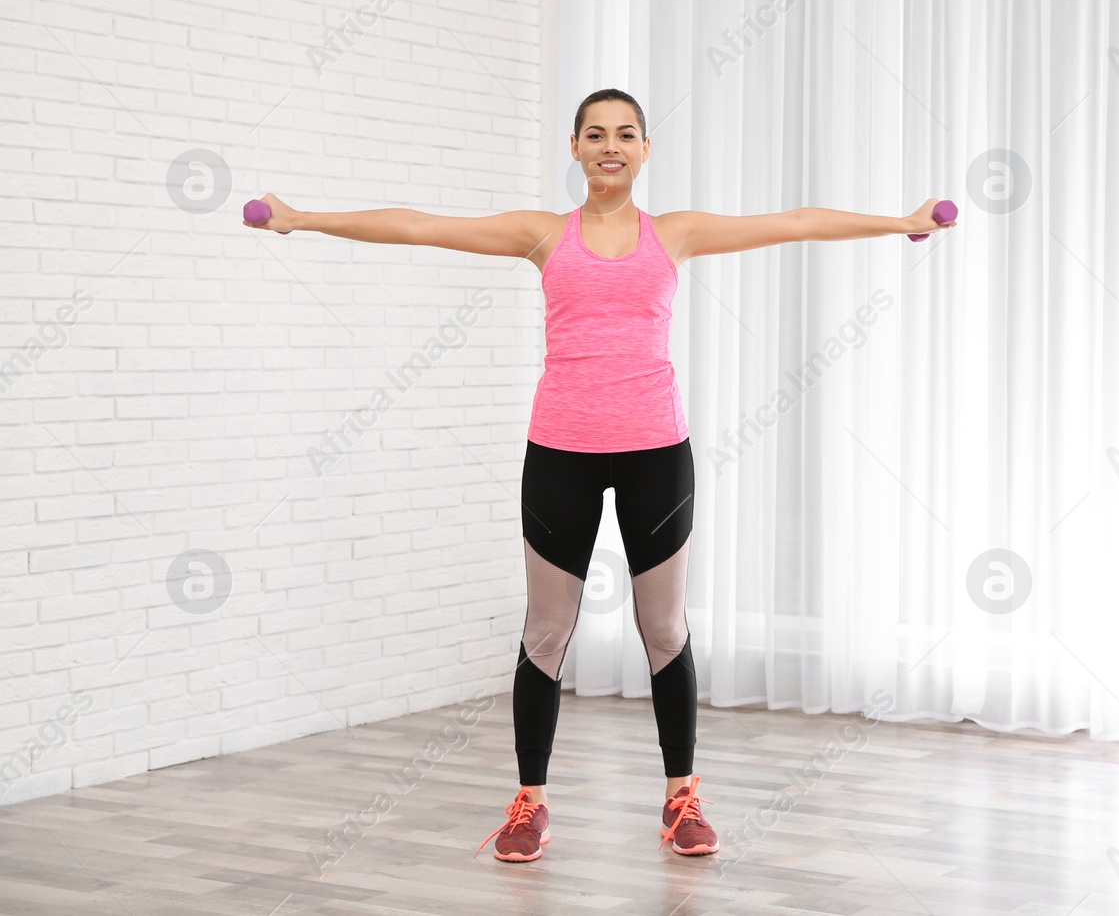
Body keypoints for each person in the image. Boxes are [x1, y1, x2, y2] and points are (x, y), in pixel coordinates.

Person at [244, 87, 957, 862]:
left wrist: (902, 223)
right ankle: (530, 803)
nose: (609, 145)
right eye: (595, 134)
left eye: (625, 134)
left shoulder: (674, 234)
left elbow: (792, 223)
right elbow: (422, 226)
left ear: (645, 150)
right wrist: (300, 217)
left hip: (657, 450)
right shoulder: (544, 235)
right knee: (547, 630)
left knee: (664, 629)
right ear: (576, 150)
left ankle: (681, 799)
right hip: (560, 451)